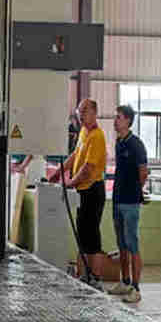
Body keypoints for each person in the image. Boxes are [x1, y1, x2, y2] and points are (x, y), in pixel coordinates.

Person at [47, 98, 107, 288]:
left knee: (92, 235)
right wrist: (59, 172)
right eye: (79, 111)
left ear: (94, 112)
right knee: (82, 233)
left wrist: (70, 183)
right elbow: (75, 156)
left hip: (92, 190)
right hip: (82, 190)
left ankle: (95, 277)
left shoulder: (97, 136)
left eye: (85, 111)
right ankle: (83, 276)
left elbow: (88, 169)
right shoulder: (83, 132)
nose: (80, 115)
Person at [110, 104, 149, 304]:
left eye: (118, 117)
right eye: (115, 117)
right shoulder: (119, 142)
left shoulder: (136, 144)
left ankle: (136, 288)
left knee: (132, 244)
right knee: (122, 244)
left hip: (130, 202)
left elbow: (143, 172)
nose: (115, 121)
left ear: (127, 121)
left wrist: (134, 192)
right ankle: (125, 282)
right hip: (117, 200)